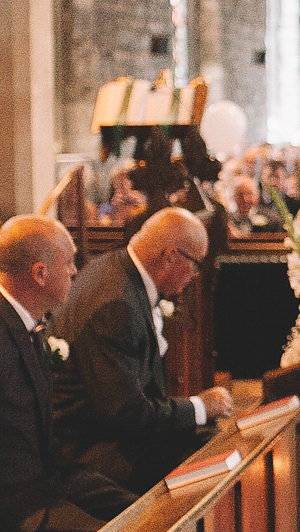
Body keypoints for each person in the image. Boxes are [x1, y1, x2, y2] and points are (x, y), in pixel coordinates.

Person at [53, 208, 233, 494]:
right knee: (211, 461)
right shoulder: (116, 304)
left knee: (212, 440)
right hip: (87, 447)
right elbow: (126, 414)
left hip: (109, 428)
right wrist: (200, 405)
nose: (196, 275)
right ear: (170, 256)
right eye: (196, 264)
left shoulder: (117, 267)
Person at [0, 216, 134, 532]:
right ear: (40, 273)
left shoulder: (28, 322)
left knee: (150, 515)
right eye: (69, 261)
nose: (76, 272)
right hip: (17, 506)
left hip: (53, 476)